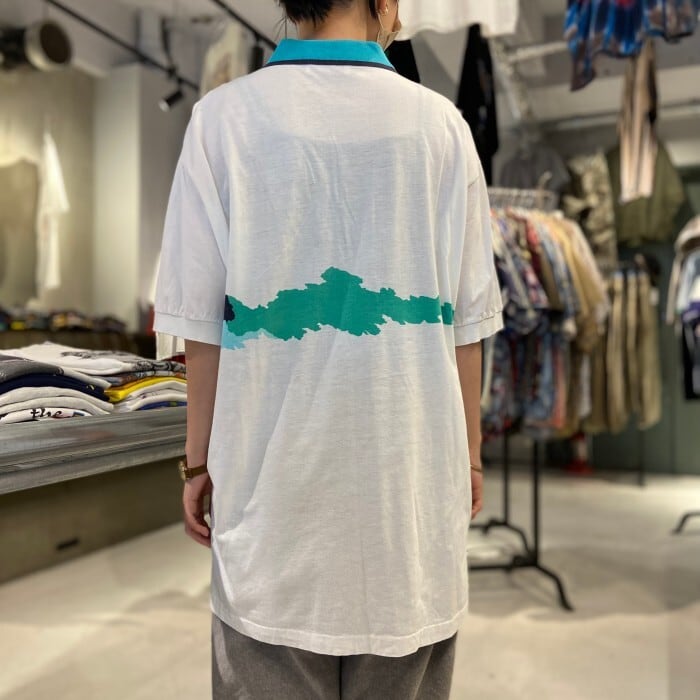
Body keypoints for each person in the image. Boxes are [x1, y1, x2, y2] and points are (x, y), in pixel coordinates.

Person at [154, 1, 503, 697]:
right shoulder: (443, 127)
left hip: (271, 513)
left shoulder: (221, 120)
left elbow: (202, 326)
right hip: (408, 510)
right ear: (385, 4)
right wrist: (467, 456)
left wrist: (198, 462)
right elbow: (467, 328)